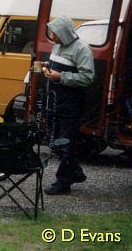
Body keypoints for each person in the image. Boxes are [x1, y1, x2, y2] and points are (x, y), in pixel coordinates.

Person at [43, 16, 95, 195]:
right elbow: (56, 68)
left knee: (66, 143)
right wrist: (44, 69)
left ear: (64, 32)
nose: (52, 36)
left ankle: (63, 183)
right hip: (55, 102)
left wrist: (61, 77)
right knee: (54, 141)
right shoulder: (57, 45)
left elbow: (87, 78)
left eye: (54, 33)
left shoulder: (82, 49)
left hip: (71, 104)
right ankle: (76, 172)